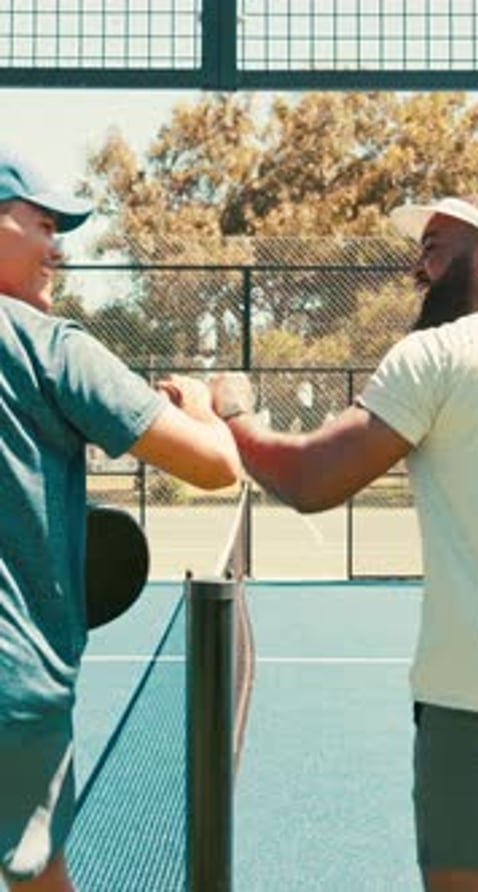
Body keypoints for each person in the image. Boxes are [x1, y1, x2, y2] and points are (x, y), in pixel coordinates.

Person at [208, 194, 478, 892]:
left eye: (433, 248)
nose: (416, 268)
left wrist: (232, 415)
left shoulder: (437, 355)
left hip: (475, 704)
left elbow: (309, 478)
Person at [0, 147, 241, 892]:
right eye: (42, 224)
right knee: (36, 874)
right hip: (17, 687)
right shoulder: (52, 349)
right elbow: (215, 466)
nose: (57, 246)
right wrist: (204, 414)